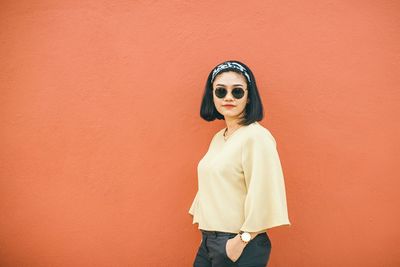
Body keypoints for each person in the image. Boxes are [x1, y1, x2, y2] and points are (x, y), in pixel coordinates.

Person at [189, 60, 291, 267]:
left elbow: (265, 192)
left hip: (239, 245)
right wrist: (206, 237)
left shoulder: (256, 136)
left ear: (249, 96)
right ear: (212, 95)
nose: (228, 97)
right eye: (220, 91)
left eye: (237, 92)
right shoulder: (219, 137)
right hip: (210, 241)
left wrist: (241, 241)